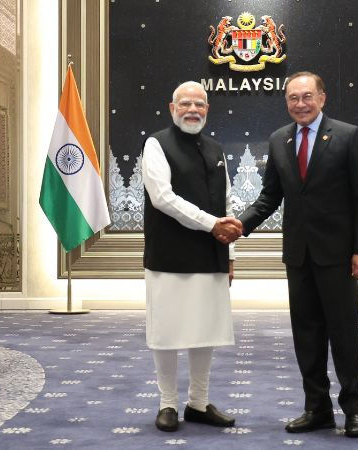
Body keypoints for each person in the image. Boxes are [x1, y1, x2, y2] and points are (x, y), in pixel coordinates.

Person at [238, 71, 358, 437]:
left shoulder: (347, 136)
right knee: (306, 336)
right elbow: (269, 197)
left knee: (343, 335)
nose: (301, 104)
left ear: (322, 98)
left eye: (307, 96)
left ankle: (353, 411)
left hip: (338, 256)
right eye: (293, 98)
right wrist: (239, 225)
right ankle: (317, 409)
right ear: (286, 102)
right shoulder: (279, 139)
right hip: (298, 257)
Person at [141, 81, 242, 432]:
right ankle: (167, 403)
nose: (192, 110)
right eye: (185, 104)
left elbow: (227, 203)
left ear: (207, 110)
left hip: (211, 255)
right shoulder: (156, 144)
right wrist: (212, 225)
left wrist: (230, 255)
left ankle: (198, 403)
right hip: (168, 255)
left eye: (199, 104)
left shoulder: (216, 149)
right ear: (172, 108)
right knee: (166, 331)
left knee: (204, 330)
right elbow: (162, 198)